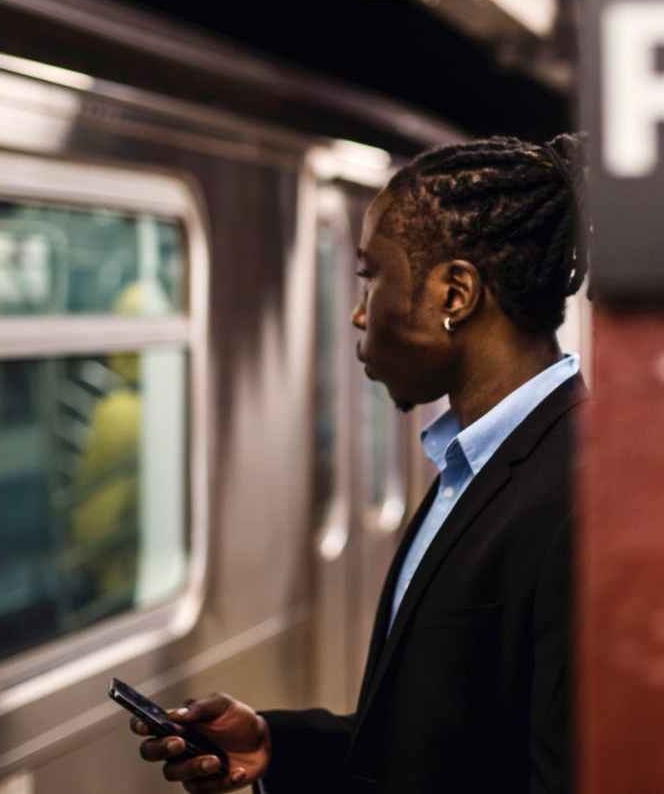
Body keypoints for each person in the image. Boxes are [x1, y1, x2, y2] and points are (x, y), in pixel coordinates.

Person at [132, 134, 591, 794]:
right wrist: (277, 746)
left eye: (371, 277)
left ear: (454, 294)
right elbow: (437, 743)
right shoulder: (477, 466)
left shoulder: (579, 497)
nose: (357, 312)